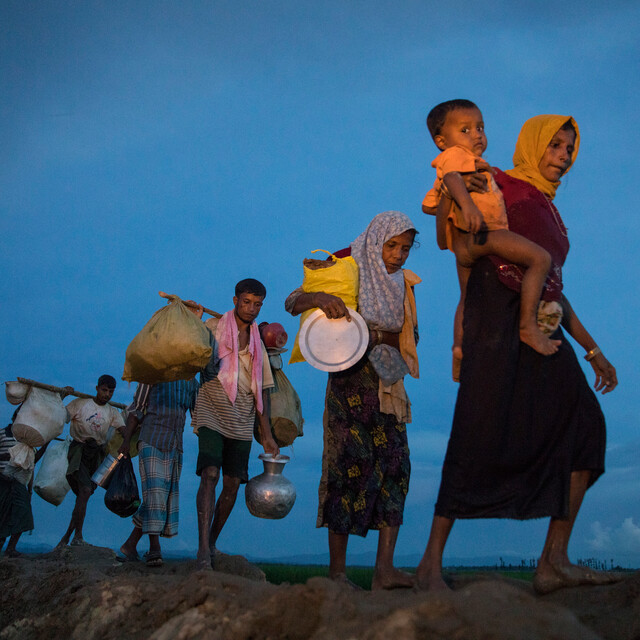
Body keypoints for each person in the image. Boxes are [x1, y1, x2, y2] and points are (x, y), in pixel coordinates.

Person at [416, 115, 619, 594]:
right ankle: (428, 565)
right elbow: (456, 211)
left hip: (542, 320)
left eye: (570, 148)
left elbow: (552, 286)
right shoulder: (502, 183)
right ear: (533, 147)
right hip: (497, 315)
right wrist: (461, 332)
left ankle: (553, 562)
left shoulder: (550, 209)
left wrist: (593, 349)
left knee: (586, 426)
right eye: (555, 146)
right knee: (478, 429)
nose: (564, 156)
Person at [286, 211, 420, 590]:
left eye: (405, 248)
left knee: (397, 467)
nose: (397, 255)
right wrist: (319, 297)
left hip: (389, 384)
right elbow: (292, 301)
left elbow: (409, 333)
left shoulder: (402, 284)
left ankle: (384, 571)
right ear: (375, 240)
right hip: (349, 384)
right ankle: (338, 574)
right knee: (348, 466)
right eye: (391, 245)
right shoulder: (348, 264)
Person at [423, 99, 559, 381]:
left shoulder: (470, 163)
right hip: (483, 236)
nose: (476, 135)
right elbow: (452, 180)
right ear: (441, 140)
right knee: (540, 258)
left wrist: (454, 199)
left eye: (480, 128)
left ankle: (458, 349)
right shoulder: (456, 157)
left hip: (464, 249)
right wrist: (469, 206)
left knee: (465, 298)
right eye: (465, 129)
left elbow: (429, 205)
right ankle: (528, 327)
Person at [192, 278, 279, 571]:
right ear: (235, 300)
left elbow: (262, 390)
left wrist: (266, 435)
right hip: (211, 406)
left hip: (242, 415)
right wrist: (192, 323)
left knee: (231, 484)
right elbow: (190, 354)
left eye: (257, 304)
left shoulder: (258, 341)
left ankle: (212, 542)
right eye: (246, 302)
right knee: (211, 474)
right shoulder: (213, 328)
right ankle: (203, 549)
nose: (252, 309)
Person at [117, 372, 199, 566]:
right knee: (155, 494)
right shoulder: (153, 375)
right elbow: (137, 410)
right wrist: (126, 441)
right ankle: (155, 548)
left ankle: (130, 545)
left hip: (175, 446)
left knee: (160, 497)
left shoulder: (192, 384)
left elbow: (198, 417)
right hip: (151, 439)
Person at [56, 374, 125, 548]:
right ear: (97, 388)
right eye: (104, 390)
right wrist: (62, 396)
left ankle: (67, 538)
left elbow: (124, 429)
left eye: (111, 392)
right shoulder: (80, 404)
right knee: (85, 491)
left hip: (98, 456)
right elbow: (59, 416)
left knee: (84, 496)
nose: (107, 394)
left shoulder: (112, 412)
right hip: (79, 451)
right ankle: (77, 536)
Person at [0, 409, 47, 557]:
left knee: (23, 514)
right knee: (2, 516)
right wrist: (9, 455)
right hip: (2, 481)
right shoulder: (2, 434)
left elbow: (31, 461)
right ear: (15, 418)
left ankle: (11, 548)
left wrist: (46, 443)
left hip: (19, 483)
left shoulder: (28, 440)